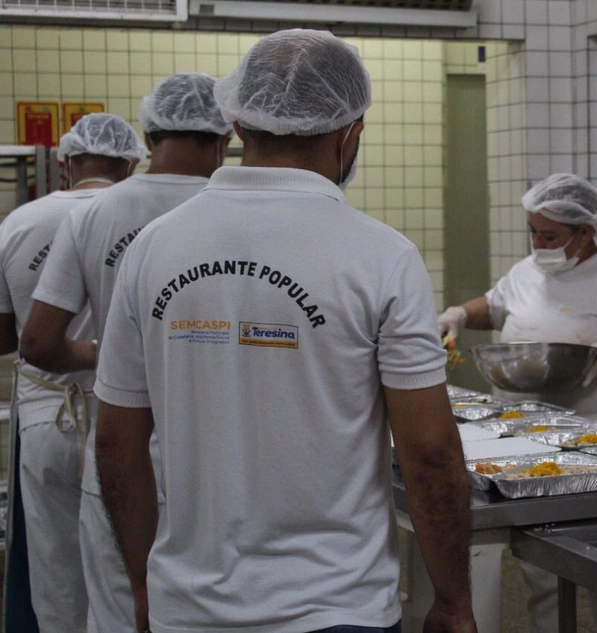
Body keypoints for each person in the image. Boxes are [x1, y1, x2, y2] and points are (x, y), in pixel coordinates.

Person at [91, 29, 476, 633]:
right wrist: (453, 601)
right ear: (351, 132)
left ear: (239, 123)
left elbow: (115, 444)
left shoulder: (152, 250)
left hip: (189, 608)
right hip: (337, 606)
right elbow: (429, 454)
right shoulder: (382, 257)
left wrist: (143, 585)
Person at [20, 72, 232, 633]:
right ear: (224, 137)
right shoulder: (239, 212)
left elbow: (38, 342)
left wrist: (105, 355)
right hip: (220, 456)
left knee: (119, 608)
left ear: (148, 132)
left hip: (119, 450)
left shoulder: (91, 215)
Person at [438, 173, 597, 633]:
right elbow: (493, 307)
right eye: (532, 231)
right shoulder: (527, 272)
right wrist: (456, 314)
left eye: (549, 235)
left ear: (585, 232)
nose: (538, 242)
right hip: (529, 443)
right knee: (544, 576)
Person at [0, 113, 145, 633]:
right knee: (126, 571)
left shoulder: (19, 223)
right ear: (131, 163)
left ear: (65, 163)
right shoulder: (137, 220)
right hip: (126, 419)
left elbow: (8, 337)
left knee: (57, 573)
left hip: (45, 416)